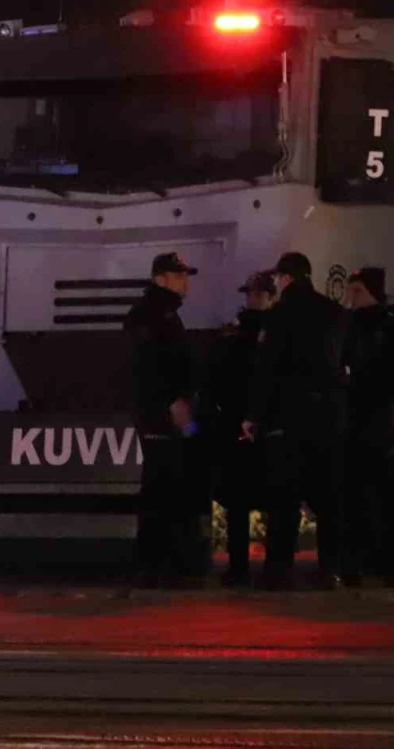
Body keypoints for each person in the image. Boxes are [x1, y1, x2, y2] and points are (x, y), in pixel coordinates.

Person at [243, 252, 349, 590]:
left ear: (286, 278)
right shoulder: (335, 313)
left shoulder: (278, 315)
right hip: (328, 418)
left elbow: (265, 370)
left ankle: (279, 571)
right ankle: (331, 569)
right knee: (329, 498)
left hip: (288, 419)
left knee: (285, 498)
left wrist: (254, 416)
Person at [125, 252, 208, 587]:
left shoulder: (167, 313)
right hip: (161, 416)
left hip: (174, 414)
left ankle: (171, 563)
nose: (185, 281)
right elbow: (148, 366)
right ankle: (155, 566)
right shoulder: (149, 314)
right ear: (160, 278)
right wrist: (172, 402)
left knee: (175, 485)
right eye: (179, 275)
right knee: (161, 487)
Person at [341, 267, 394, 587]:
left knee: (388, 494)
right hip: (354, 420)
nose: (351, 296)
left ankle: (390, 565)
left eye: (357, 290)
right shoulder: (348, 326)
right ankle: (356, 564)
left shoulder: (392, 328)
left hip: (382, 420)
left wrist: (377, 391)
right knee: (354, 495)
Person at [208, 271, 276, 587]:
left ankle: (262, 568)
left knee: (267, 500)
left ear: (271, 296)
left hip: (263, 426)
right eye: (250, 294)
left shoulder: (272, 332)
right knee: (240, 501)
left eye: (258, 294)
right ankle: (240, 567)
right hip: (243, 426)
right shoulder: (240, 334)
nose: (252, 299)